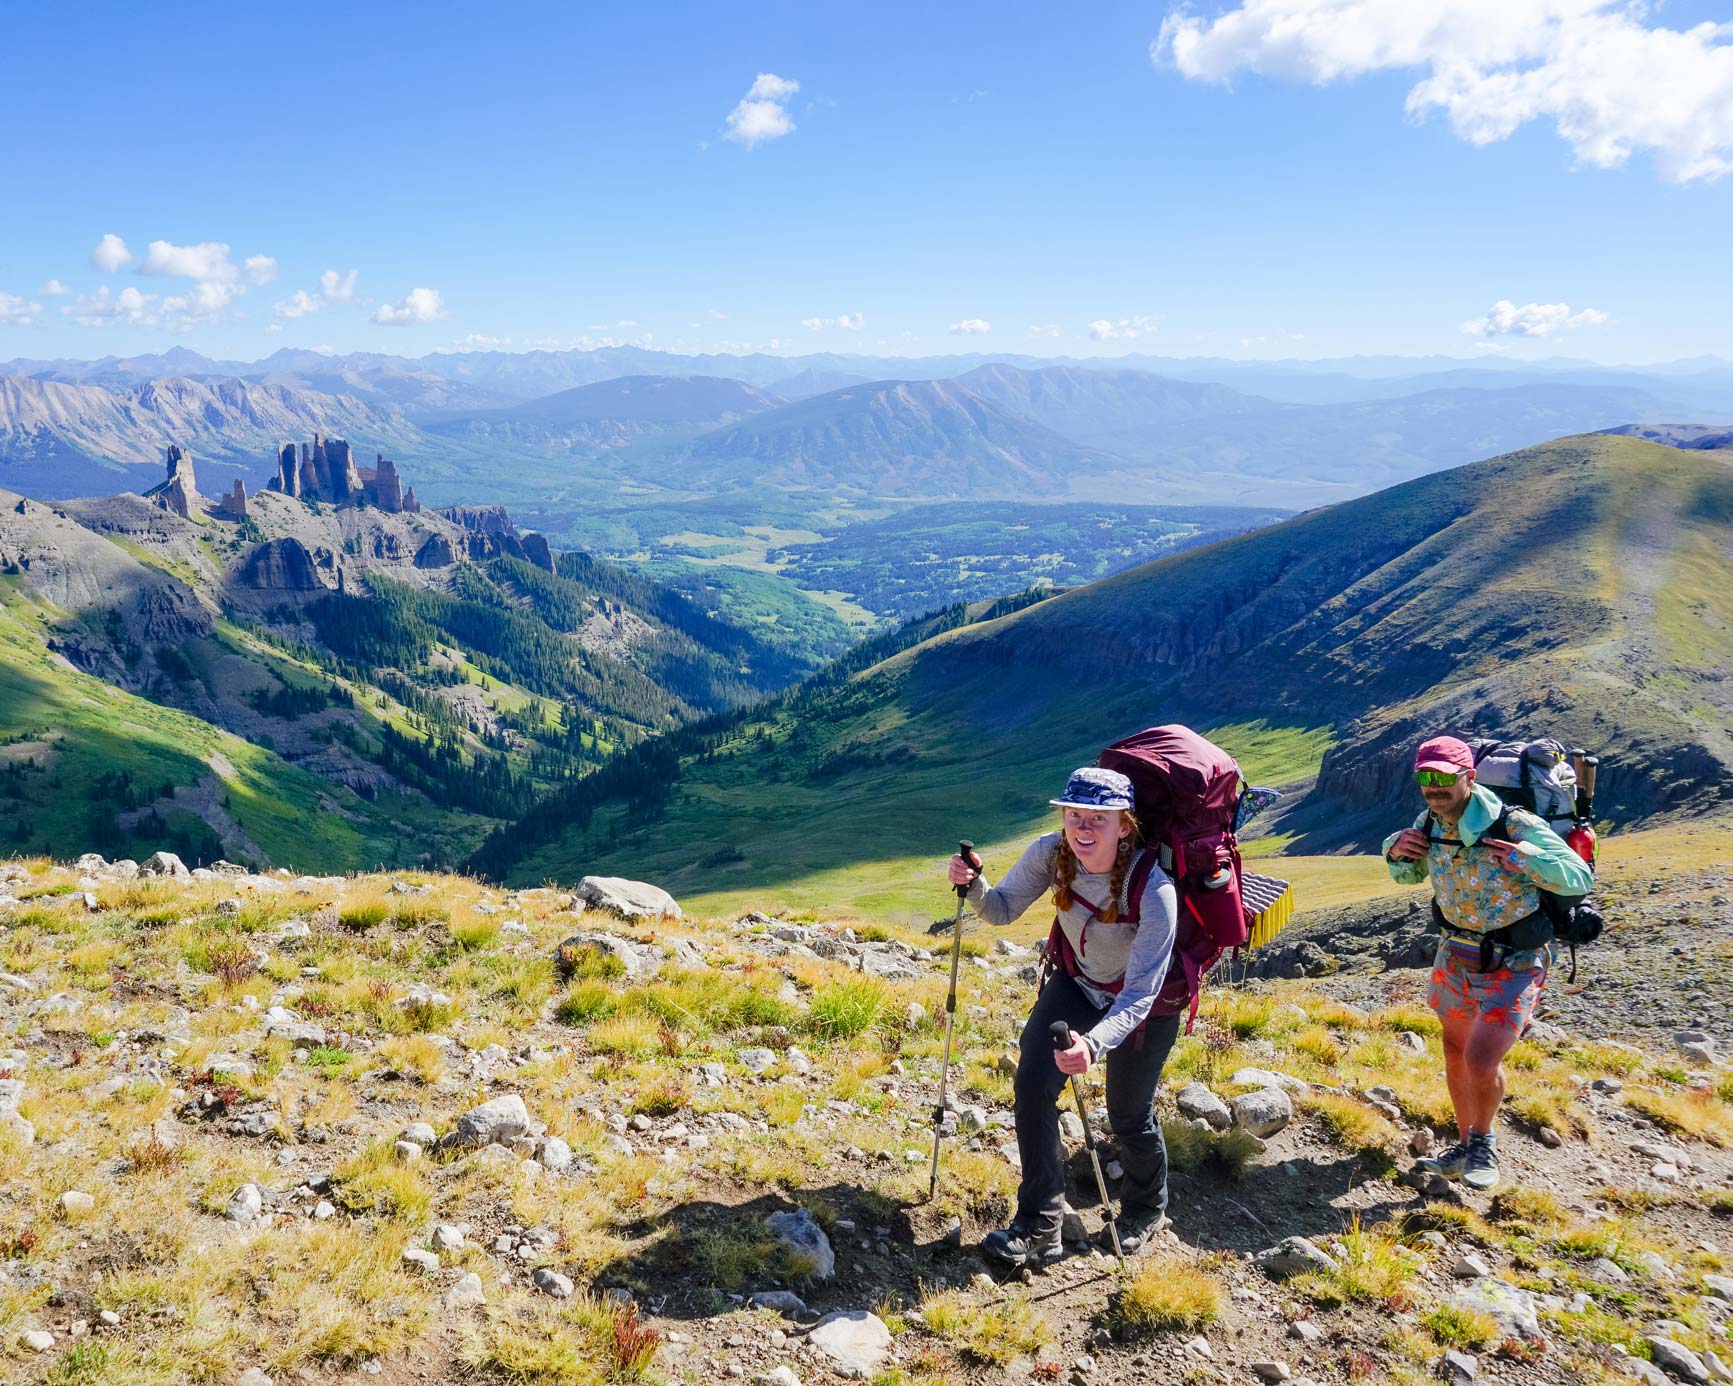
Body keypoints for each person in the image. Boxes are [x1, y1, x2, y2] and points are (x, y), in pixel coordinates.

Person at [946, 766, 1179, 1268]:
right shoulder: (1050, 853)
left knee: (1128, 1114)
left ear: (1125, 824)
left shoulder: (1155, 890)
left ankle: (1145, 1210)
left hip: (1146, 1007)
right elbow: (1003, 910)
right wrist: (976, 884)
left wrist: (1092, 1046)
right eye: (1075, 814)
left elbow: (1141, 992)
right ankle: (1039, 1226)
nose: (1083, 828)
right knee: (1032, 1082)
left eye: (1099, 817)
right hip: (1076, 984)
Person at [1384, 735, 1594, 1191]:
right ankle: (1463, 1146)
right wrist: (1396, 849)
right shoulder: (1430, 821)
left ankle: (1484, 1144)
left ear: (1469, 777)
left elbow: (1579, 875)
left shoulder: (1514, 823)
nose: (1433, 787)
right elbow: (1407, 872)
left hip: (1516, 959)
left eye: (1443, 777)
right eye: (1425, 777)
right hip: (1457, 954)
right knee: (1456, 1052)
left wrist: (1529, 860)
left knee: (1481, 1059)